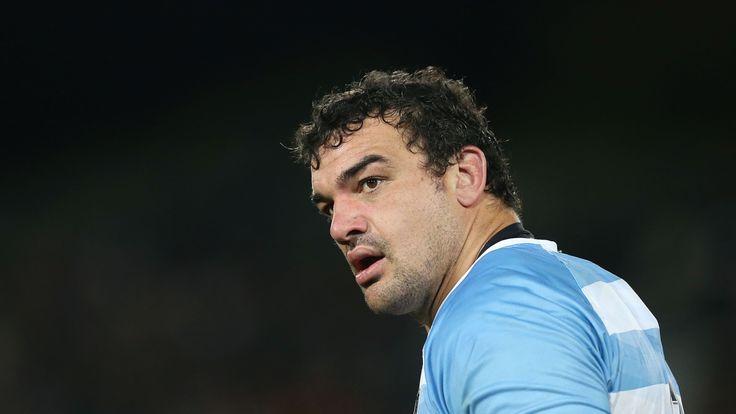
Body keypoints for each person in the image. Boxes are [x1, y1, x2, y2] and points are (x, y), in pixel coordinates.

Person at [291, 67, 684, 413]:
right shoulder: (583, 283)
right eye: (328, 208)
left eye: (370, 182)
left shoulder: (499, 312)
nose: (339, 227)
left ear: (464, 175)